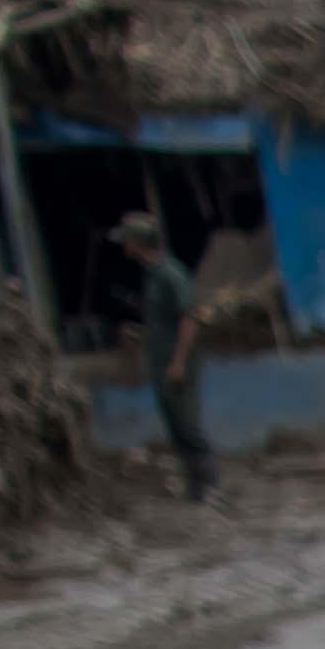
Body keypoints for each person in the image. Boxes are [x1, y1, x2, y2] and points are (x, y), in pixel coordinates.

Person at [115, 209, 216, 505]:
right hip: (162, 363)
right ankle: (194, 489)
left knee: (188, 425)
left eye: (128, 240)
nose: (125, 246)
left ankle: (210, 486)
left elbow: (189, 319)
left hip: (177, 364)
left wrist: (178, 362)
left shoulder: (171, 273)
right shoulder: (152, 276)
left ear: (139, 242)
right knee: (175, 427)